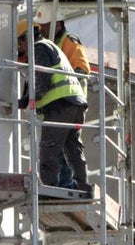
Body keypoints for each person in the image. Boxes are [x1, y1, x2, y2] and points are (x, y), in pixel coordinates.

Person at [16, 19, 91, 196]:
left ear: (25, 38)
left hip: (60, 105)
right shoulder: (49, 45)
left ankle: (49, 189)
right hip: (75, 104)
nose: (20, 48)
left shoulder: (39, 48)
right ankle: (84, 187)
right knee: (73, 149)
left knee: (48, 149)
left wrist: (25, 102)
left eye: (19, 43)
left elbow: (43, 80)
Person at [42, 19, 90, 188]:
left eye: (46, 26)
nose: (43, 29)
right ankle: (73, 183)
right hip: (66, 102)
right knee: (68, 145)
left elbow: (82, 68)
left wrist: (65, 85)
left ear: (59, 24)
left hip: (69, 101)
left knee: (61, 145)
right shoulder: (50, 44)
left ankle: (66, 183)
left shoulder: (68, 41)